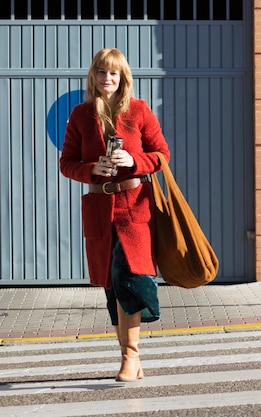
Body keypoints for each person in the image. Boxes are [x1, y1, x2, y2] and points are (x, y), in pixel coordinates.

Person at [60, 48, 170, 382]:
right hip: (99, 210)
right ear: (93, 76)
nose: (107, 79)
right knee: (112, 285)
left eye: (113, 73)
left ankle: (129, 356)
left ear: (123, 78)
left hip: (135, 207)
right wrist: (93, 168)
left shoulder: (138, 111)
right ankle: (130, 359)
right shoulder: (80, 115)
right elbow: (67, 163)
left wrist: (134, 162)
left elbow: (162, 153)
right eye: (101, 72)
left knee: (130, 280)